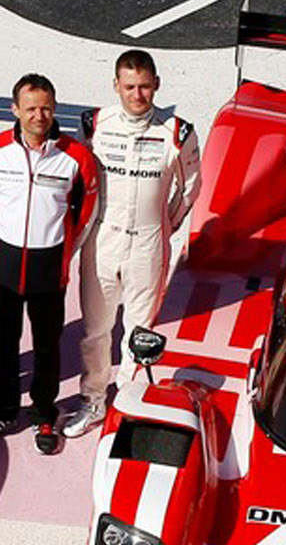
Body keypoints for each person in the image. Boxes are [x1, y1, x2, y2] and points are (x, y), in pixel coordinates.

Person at [0, 76, 100, 453]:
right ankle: (2, 411)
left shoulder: (76, 156)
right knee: (2, 344)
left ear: (55, 108)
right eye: (30, 108)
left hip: (50, 265)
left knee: (47, 346)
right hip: (5, 263)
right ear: (15, 110)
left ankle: (45, 414)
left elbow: (86, 210)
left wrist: (65, 248)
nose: (38, 116)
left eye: (45, 108)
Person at [72, 47, 200, 435]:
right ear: (116, 85)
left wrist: (165, 226)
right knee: (95, 330)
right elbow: (81, 181)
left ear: (157, 85)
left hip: (149, 243)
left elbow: (191, 188)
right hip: (102, 239)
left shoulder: (178, 132)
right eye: (129, 86)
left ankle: (127, 406)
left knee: (139, 332)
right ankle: (93, 401)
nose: (137, 95)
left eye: (145, 87)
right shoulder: (94, 123)